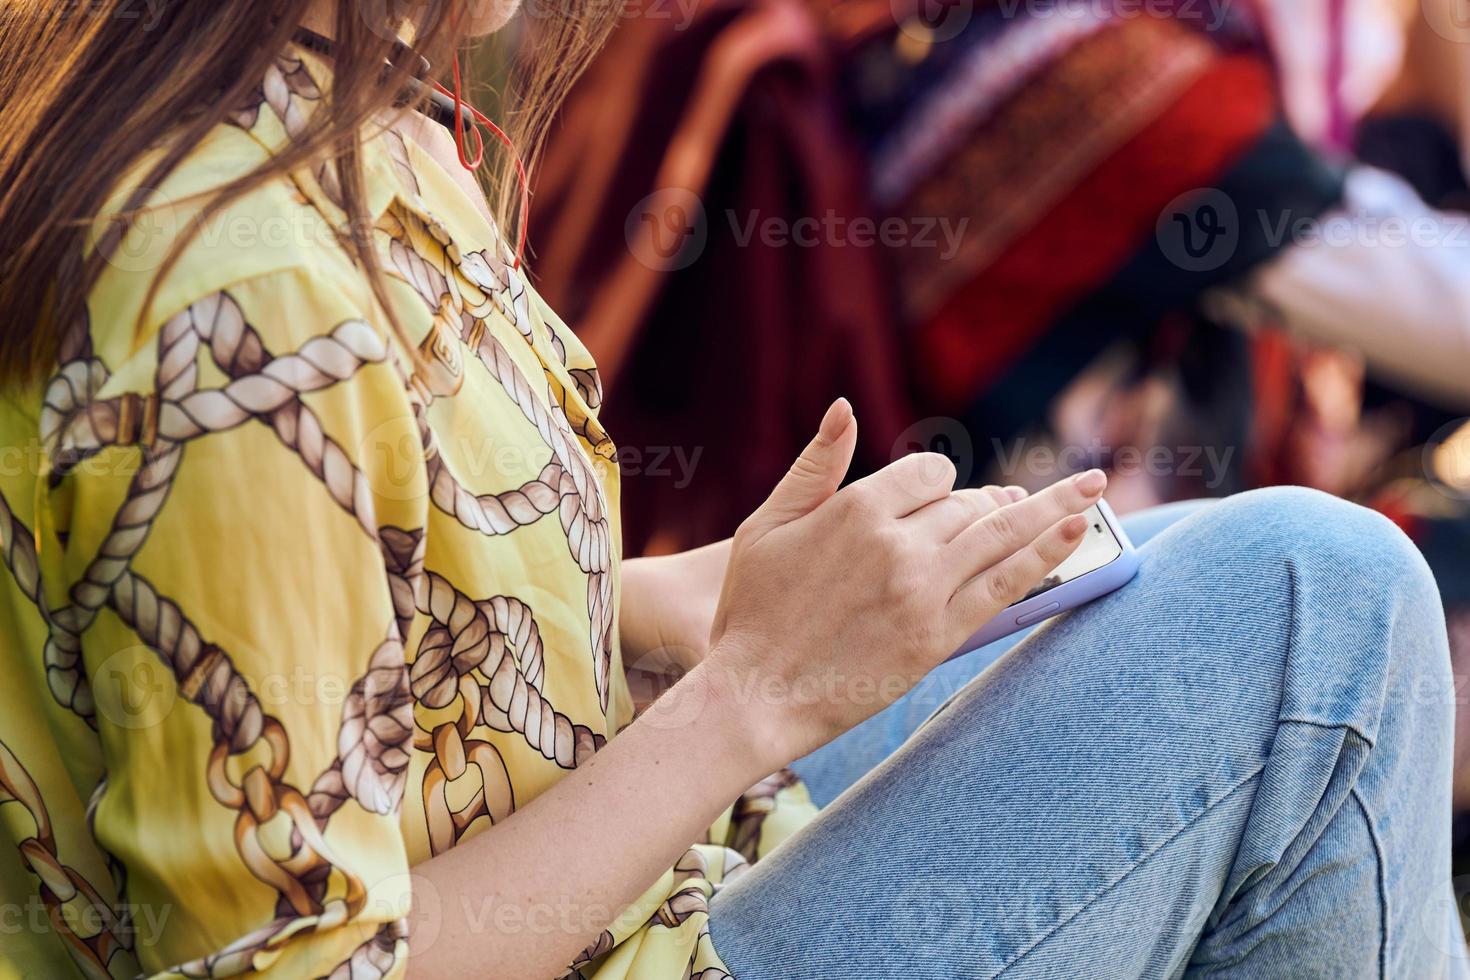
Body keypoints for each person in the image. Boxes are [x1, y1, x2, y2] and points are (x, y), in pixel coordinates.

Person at [0, 4, 1462, 980]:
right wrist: (749, 696)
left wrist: (655, 603)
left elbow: (324, 603)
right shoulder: (240, 281)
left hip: (643, 861)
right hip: (616, 928)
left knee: (1197, 574)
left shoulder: (346, 118)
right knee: (1313, 600)